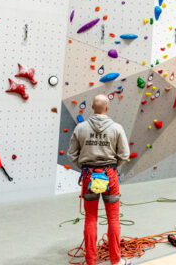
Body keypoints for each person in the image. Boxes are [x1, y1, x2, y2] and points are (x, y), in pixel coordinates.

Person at [68, 95, 132, 265]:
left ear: (92, 107)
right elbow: (124, 154)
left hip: (89, 175)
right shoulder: (117, 128)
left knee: (90, 218)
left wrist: (84, 167)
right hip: (110, 175)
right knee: (113, 218)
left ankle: (90, 261)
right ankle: (116, 261)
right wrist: (112, 167)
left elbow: (72, 154)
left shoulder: (80, 128)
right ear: (107, 107)